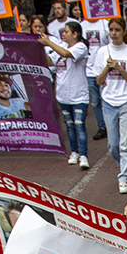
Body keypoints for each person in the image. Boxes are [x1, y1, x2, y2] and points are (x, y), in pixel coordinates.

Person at [87, 18, 127, 194]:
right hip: (109, 103)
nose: (114, 33)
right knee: (113, 145)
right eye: (111, 30)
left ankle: (123, 177)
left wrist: (119, 68)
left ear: (124, 31)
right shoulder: (103, 52)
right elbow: (98, 80)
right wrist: (107, 68)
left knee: (126, 144)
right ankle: (123, 166)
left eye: (117, 30)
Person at [42, 21, 91, 167]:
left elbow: (66, 54)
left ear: (75, 34)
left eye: (66, 31)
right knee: (69, 126)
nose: (63, 34)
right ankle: (74, 152)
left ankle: (84, 155)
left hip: (79, 95)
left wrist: (49, 42)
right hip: (63, 95)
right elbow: (50, 62)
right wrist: (41, 49)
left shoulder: (80, 47)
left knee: (79, 125)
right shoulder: (60, 47)